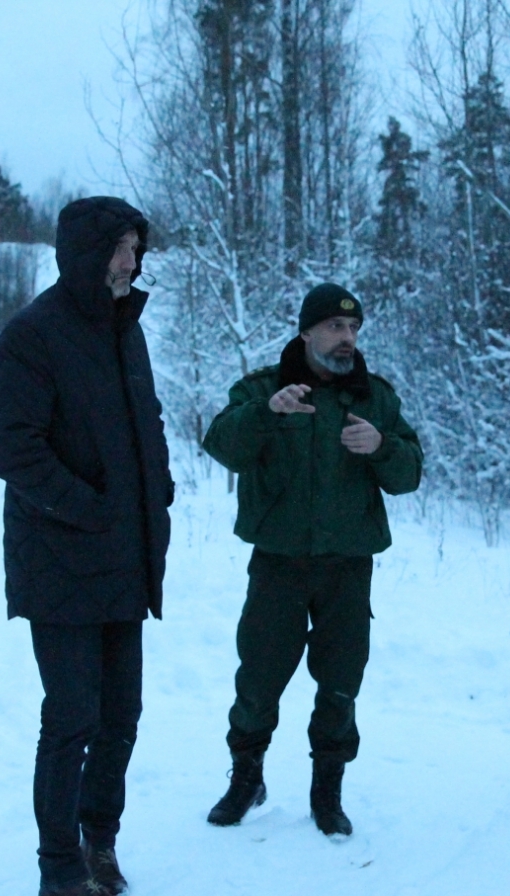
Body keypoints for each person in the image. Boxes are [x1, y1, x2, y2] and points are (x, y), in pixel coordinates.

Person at [0, 196, 173, 896]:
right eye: (121, 248)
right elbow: (14, 449)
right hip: (61, 559)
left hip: (124, 555)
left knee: (120, 714)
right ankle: (59, 872)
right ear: (87, 255)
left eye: (135, 248)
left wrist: (157, 486)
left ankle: (100, 843)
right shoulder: (32, 336)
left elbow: (145, 418)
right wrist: (92, 508)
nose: (132, 261)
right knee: (72, 716)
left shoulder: (125, 328)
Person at [201, 283, 423, 837]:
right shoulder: (263, 388)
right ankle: (246, 777)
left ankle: (328, 789)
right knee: (259, 676)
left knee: (341, 681)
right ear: (306, 332)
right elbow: (222, 446)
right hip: (278, 561)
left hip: (348, 565)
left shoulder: (375, 397)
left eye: (354, 328)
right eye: (334, 327)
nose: (347, 338)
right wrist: (265, 414)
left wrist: (383, 447)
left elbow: (409, 476)